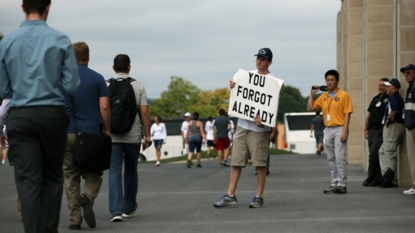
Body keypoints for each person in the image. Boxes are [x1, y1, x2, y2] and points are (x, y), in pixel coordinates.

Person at [0, 1, 80, 232]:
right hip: (52, 114)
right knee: (52, 179)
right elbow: (72, 85)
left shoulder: (7, 42)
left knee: (28, 181)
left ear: (23, 8)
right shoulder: (60, 40)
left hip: (21, 116)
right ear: (48, 7)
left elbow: (4, 89)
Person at [214, 48, 278, 208]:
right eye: (258, 58)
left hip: (259, 130)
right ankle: (230, 195)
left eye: (263, 59)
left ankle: (259, 196)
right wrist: (233, 86)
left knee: (260, 163)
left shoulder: (272, 82)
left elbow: (271, 107)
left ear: (269, 62)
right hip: (242, 125)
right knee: (236, 160)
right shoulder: (245, 76)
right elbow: (235, 90)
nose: (259, 61)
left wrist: (264, 123)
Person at [63, 42, 111, 230]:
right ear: (88, 57)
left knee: (70, 176)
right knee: (94, 172)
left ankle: (75, 219)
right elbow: (105, 107)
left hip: (67, 134)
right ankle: (88, 196)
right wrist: (107, 128)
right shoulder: (98, 79)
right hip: (90, 134)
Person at [108, 54, 151, 222]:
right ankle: (129, 207)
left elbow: (103, 108)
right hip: (132, 136)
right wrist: (147, 134)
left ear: (113, 68)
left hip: (112, 136)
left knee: (114, 171)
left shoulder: (106, 85)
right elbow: (145, 112)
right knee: (131, 170)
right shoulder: (138, 86)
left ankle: (115, 211)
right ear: (129, 67)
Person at [307, 69, 353, 194]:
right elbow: (310, 107)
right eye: (327, 80)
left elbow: (347, 114)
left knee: (339, 157)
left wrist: (344, 131)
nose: (329, 82)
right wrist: (312, 94)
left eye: (332, 80)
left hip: (339, 127)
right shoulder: (324, 96)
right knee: (331, 158)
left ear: (337, 81)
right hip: (328, 129)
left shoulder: (344, 95)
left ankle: (342, 184)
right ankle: (334, 182)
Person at [378, 79, 405, 188]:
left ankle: (390, 178)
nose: (386, 88)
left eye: (389, 87)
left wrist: (388, 118)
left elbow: (395, 109)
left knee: (389, 152)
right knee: (382, 151)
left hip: (394, 125)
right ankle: (386, 174)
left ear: (395, 88)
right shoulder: (393, 97)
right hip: (392, 126)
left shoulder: (394, 96)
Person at [362, 78, 389, 187]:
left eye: (383, 85)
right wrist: (365, 128)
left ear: (387, 87)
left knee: (374, 153)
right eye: (379, 85)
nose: (381, 87)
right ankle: (377, 179)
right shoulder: (375, 98)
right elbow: (369, 114)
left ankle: (370, 177)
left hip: (380, 130)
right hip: (371, 130)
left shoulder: (389, 99)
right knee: (372, 155)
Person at [402, 64, 415, 195]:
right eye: (405, 73)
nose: (406, 75)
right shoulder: (410, 88)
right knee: (412, 158)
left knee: (413, 158)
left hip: (413, 127)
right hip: (410, 126)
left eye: (409, 72)